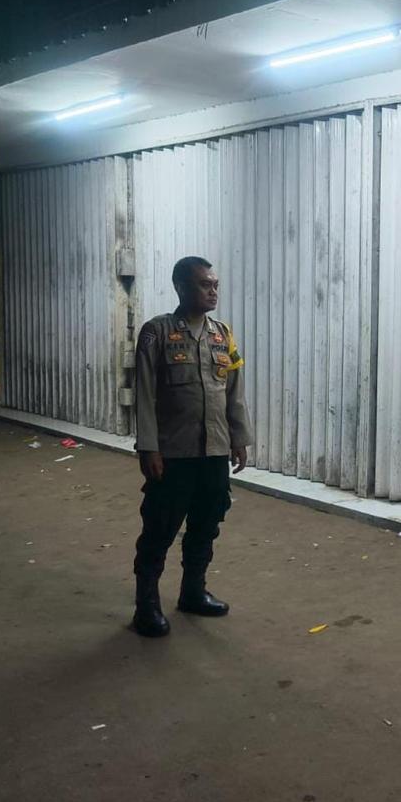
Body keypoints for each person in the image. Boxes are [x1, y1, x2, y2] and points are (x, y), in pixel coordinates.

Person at [130, 256, 253, 637]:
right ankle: (146, 606)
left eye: (215, 284)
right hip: (173, 454)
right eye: (204, 284)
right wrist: (148, 448)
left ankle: (193, 592)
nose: (213, 291)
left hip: (213, 451)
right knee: (160, 528)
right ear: (181, 287)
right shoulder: (157, 333)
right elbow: (145, 395)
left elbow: (233, 392)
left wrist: (239, 438)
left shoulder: (223, 335)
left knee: (206, 523)